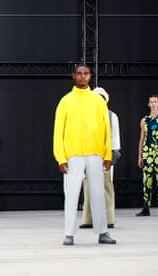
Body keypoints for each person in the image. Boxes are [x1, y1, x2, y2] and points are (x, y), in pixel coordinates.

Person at [53, 64, 116, 246]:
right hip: (72, 154)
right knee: (71, 194)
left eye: (86, 73)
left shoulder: (97, 101)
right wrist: (61, 157)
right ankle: (69, 234)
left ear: (90, 76)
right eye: (79, 74)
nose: (82, 77)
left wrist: (107, 154)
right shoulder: (66, 101)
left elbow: (106, 129)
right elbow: (58, 131)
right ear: (74, 76)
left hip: (95, 153)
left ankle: (103, 232)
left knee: (97, 192)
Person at [79, 87, 121, 229]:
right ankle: (88, 219)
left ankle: (109, 219)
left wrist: (111, 158)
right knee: (88, 187)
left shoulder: (111, 116)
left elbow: (115, 139)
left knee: (106, 187)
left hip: (104, 156)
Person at [136, 94, 158, 216]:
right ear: (148, 104)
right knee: (147, 181)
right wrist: (140, 156)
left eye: (155, 102)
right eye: (151, 102)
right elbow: (141, 139)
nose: (153, 104)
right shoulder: (144, 120)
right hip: (147, 153)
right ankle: (146, 207)